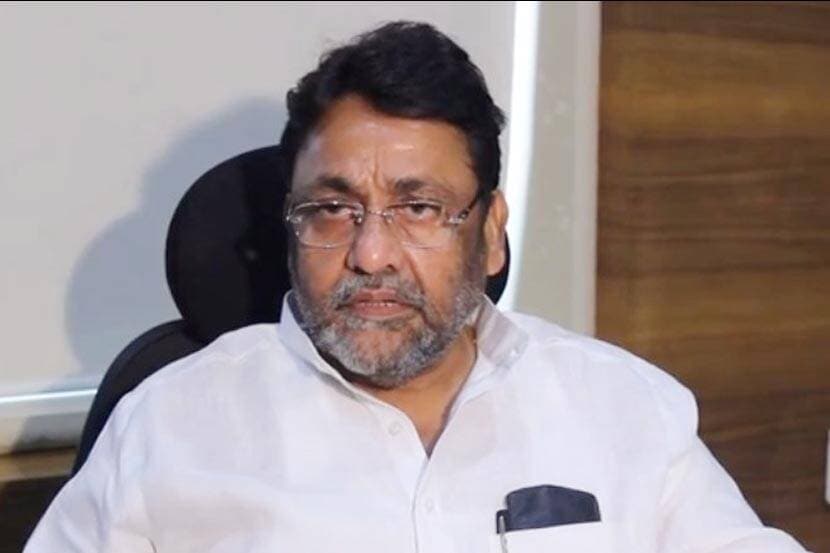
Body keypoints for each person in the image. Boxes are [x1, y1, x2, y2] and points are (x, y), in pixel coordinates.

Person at [25, 21, 808, 553]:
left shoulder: (624, 409)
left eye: (419, 208)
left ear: (490, 231)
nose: (371, 254)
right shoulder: (168, 429)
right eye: (332, 209)